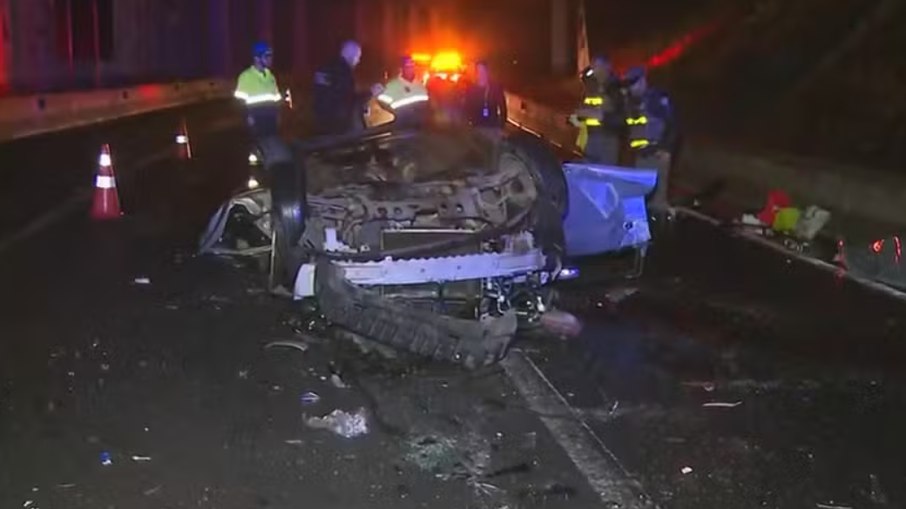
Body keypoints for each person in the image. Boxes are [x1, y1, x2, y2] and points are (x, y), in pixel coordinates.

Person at [623, 65, 678, 214]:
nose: (630, 89)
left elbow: (672, 124)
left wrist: (666, 148)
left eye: (633, 84)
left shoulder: (655, 99)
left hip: (657, 154)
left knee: (658, 200)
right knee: (641, 195)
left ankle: (661, 228)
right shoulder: (632, 102)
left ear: (643, 81)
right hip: (642, 155)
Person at [312, 40, 383, 135]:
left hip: (322, 124)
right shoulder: (343, 72)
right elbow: (348, 100)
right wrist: (370, 92)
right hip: (340, 127)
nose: (358, 60)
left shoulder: (325, 68)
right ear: (350, 54)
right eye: (358, 56)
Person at [569, 55, 624, 164]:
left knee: (605, 173)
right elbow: (584, 75)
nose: (595, 71)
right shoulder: (591, 87)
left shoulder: (614, 89)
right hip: (590, 139)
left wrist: (601, 116)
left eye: (598, 67)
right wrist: (577, 118)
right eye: (594, 67)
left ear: (607, 68)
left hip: (607, 141)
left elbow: (621, 119)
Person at [234, 41, 282, 140]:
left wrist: (277, 116)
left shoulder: (271, 77)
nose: (270, 59)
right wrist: (248, 119)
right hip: (256, 124)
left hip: (271, 123)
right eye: (267, 56)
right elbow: (239, 103)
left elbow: (276, 100)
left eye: (271, 56)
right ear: (257, 58)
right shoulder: (246, 77)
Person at [376, 55, 431, 127]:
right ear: (401, 68)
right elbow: (381, 102)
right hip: (401, 126)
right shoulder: (392, 85)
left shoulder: (420, 86)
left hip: (420, 126)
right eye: (407, 66)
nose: (410, 69)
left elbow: (426, 105)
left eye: (412, 66)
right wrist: (395, 114)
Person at [462, 60, 508, 130]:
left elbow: (502, 107)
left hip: (492, 126)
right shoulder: (471, 89)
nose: (481, 74)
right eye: (479, 71)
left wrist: (502, 125)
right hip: (476, 127)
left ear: (487, 72)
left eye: (483, 71)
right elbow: (466, 107)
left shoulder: (495, 88)